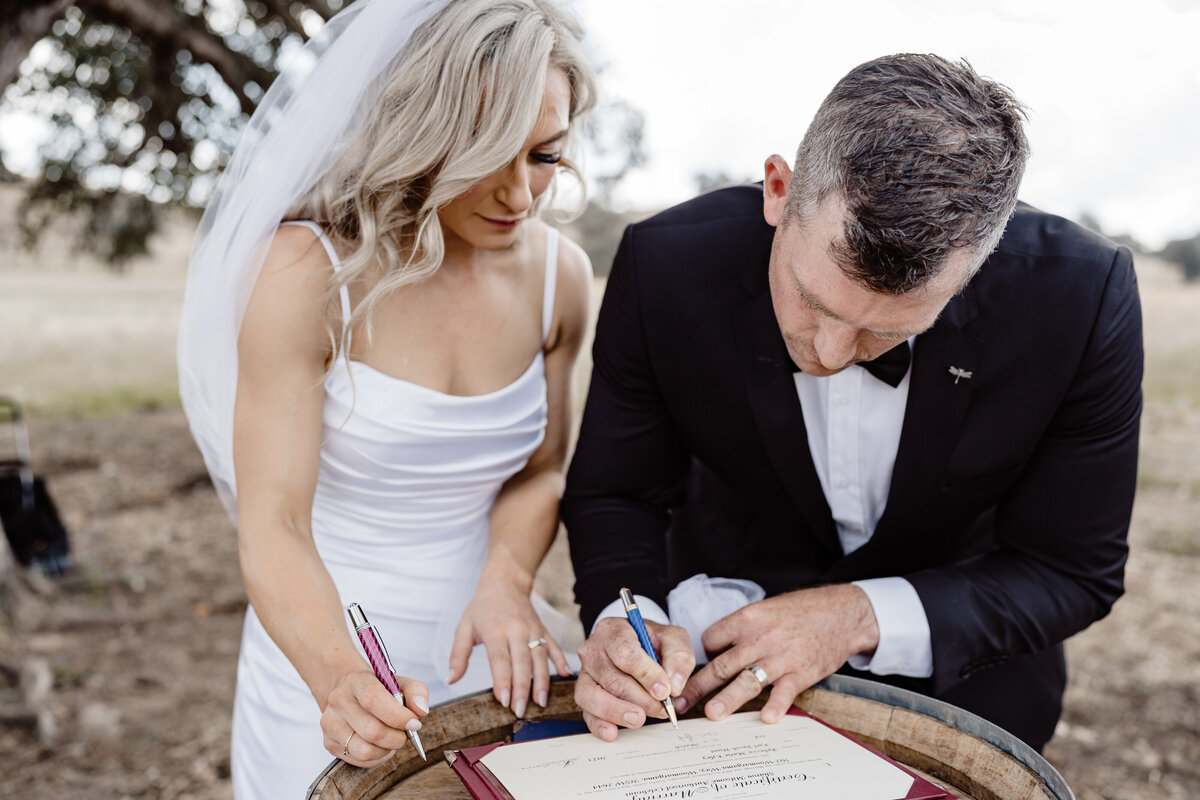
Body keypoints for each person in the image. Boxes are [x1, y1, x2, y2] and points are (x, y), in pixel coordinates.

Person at [562, 53, 1141, 753]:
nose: (830, 355)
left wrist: (859, 616)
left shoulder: (1080, 297)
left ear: (976, 268)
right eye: (810, 299)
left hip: (964, 688)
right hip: (708, 677)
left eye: (886, 331)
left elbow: (1070, 568)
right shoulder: (664, 267)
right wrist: (629, 620)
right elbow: (617, 493)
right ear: (779, 190)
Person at [176, 1, 597, 796]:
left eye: (544, 156)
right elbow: (274, 522)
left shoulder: (559, 280)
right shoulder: (307, 273)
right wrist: (338, 680)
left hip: (491, 646)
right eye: (487, 154)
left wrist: (507, 580)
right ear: (426, 132)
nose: (518, 194)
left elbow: (541, 469)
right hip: (324, 648)